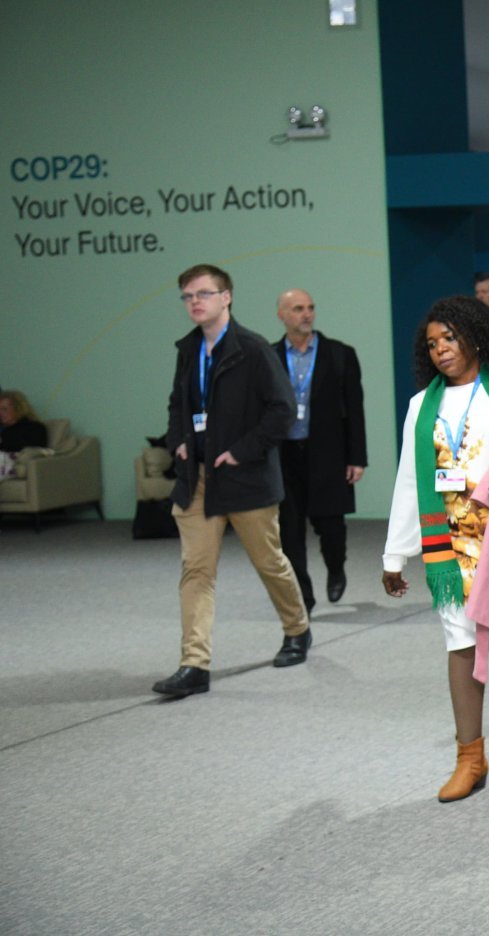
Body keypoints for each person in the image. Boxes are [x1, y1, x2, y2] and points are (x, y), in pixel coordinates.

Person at [382, 296, 489, 801]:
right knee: (459, 645)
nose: (440, 350)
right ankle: (470, 757)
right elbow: (412, 479)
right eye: (431, 344)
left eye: (449, 338)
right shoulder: (420, 406)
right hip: (450, 546)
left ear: (475, 335)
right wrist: (395, 553)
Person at [154, 264, 311, 699]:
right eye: (187, 296)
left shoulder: (253, 349)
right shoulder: (188, 350)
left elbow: (282, 411)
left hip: (245, 478)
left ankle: (297, 629)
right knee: (196, 570)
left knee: (269, 562)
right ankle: (194, 664)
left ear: (227, 297)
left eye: (203, 294)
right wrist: (178, 441)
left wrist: (242, 450)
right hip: (197, 478)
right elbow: (176, 405)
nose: (195, 302)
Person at [272, 288, 367, 613]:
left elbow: (355, 409)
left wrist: (357, 457)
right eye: (297, 308)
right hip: (284, 456)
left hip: (327, 452)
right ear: (282, 315)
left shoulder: (340, 354)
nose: (306, 314)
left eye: (310, 307)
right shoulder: (268, 357)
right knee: (289, 529)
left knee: (331, 526)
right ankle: (303, 595)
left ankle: (336, 567)